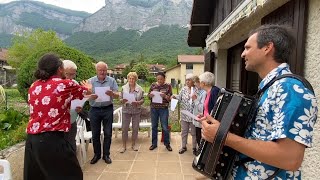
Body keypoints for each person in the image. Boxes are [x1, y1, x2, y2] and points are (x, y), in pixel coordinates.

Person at [201, 24, 318, 179]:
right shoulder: (270, 88)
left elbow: (290, 158)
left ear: (267, 48)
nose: (243, 54)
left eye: (248, 48)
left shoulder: (290, 89)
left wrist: (223, 136)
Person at [24, 53, 92, 180]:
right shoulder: (64, 84)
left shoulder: (34, 86)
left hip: (32, 141)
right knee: (73, 175)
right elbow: (86, 92)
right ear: (60, 69)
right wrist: (88, 87)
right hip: (52, 140)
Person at [88, 61, 119, 164]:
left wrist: (112, 94)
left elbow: (118, 95)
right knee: (95, 133)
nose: (102, 72)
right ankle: (97, 155)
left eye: (104, 70)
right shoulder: (90, 81)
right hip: (94, 110)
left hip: (107, 109)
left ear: (107, 70)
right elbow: (84, 95)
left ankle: (106, 155)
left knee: (108, 133)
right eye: (100, 70)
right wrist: (90, 96)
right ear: (96, 70)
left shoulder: (112, 80)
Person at [172, 73, 197, 155]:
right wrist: (175, 97)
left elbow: (200, 102)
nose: (187, 81)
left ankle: (194, 148)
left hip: (194, 115)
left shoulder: (197, 90)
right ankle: (183, 146)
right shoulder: (183, 89)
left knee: (194, 133)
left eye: (189, 80)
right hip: (184, 114)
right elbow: (180, 98)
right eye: (186, 80)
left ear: (193, 81)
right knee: (184, 132)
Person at [119, 72, 144, 153]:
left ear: (136, 79)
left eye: (133, 78)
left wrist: (138, 102)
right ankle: (123, 146)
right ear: (128, 79)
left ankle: (133, 144)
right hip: (126, 110)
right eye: (130, 78)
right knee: (124, 128)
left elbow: (143, 99)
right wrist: (122, 100)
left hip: (136, 110)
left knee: (135, 128)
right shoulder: (123, 88)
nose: (131, 80)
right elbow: (120, 99)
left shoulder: (140, 88)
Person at [148, 72, 173, 151]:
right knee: (154, 126)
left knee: (165, 127)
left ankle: (167, 144)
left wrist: (165, 96)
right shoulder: (153, 85)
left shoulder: (168, 86)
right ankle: (154, 144)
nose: (159, 81)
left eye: (161, 79)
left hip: (163, 109)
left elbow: (170, 98)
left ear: (164, 79)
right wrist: (150, 95)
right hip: (154, 109)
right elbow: (148, 96)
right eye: (158, 79)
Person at [63, 59, 82, 151]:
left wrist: (79, 107)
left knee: (72, 146)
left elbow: (79, 100)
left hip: (72, 121)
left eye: (73, 74)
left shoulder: (75, 84)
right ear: (61, 71)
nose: (71, 77)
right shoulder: (57, 86)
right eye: (68, 74)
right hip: (60, 124)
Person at [191, 75, 206, 148]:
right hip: (196, 117)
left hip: (201, 117)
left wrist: (195, 100)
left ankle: (200, 152)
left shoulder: (204, 93)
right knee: (197, 135)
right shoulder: (197, 90)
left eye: (196, 84)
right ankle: (198, 149)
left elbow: (202, 107)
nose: (195, 86)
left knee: (200, 137)